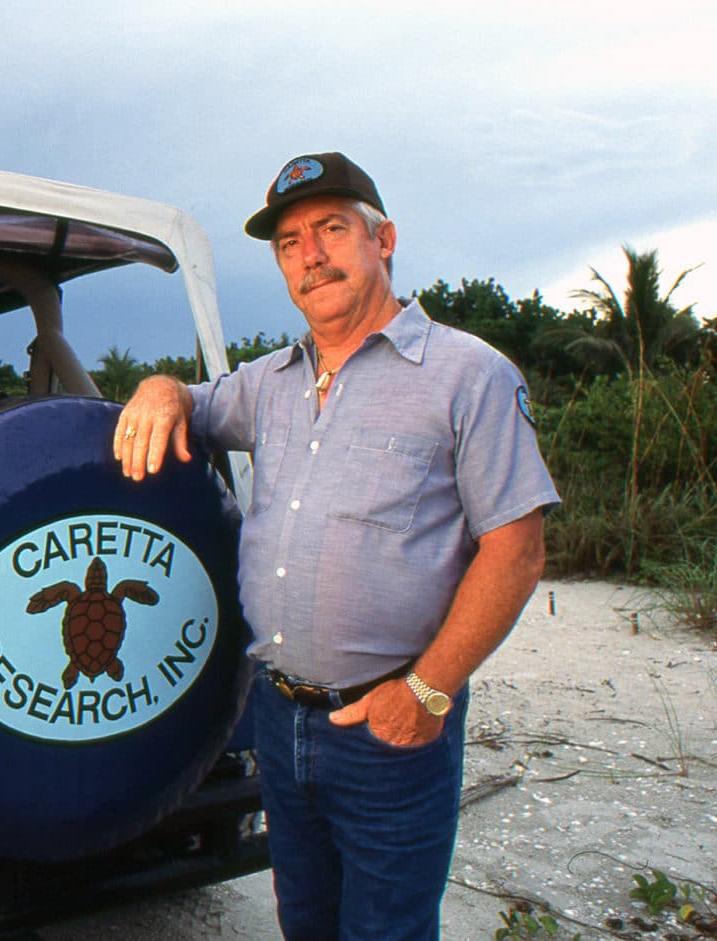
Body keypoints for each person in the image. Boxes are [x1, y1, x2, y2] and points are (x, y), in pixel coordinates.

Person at [113, 152, 560, 941]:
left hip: (392, 725)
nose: (310, 255)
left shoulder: (468, 375)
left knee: (386, 930)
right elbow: (195, 401)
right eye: (289, 243)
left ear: (382, 238)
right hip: (280, 721)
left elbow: (516, 551)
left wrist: (427, 692)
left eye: (330, 228)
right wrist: (159, 387)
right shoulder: (273, 381)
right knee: (306, 924)